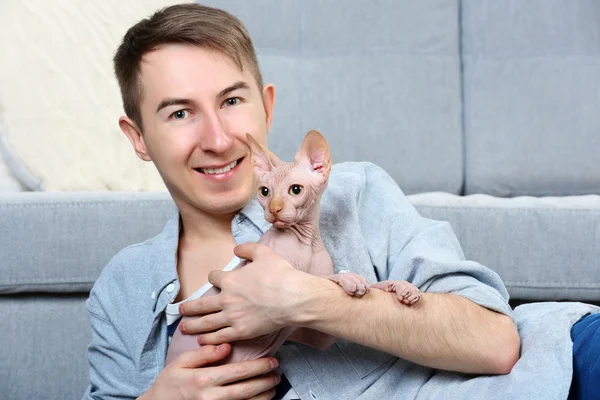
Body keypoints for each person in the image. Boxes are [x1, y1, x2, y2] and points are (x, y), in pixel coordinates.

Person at [83, 3, 598, 400]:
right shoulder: (124, 287)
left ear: (266, 107)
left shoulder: (353, 192)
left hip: (554, 371)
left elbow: (497, 342)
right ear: (138, 138)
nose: (218, 139)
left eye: (232, 101)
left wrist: (303, 299)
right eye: (179, 113)